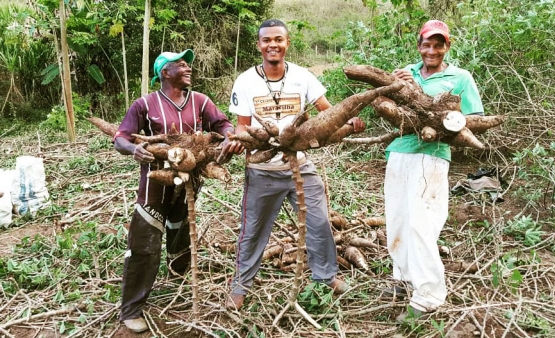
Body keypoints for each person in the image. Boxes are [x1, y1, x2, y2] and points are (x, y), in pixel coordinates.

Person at [225, 19, 366, 310]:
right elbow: (241, 126)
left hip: (300, 165)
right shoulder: (245, 81)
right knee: (252, 230)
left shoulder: (303, 77)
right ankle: (240, 285)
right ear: (259, 45)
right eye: (267, 40)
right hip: (262, 170)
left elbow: (328, 112)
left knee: (319, 222)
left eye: (278, 39)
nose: (272, 45)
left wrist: (349, 121)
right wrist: (240, 141)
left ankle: (326, 276)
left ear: (287, 43)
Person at [113, 49, 242, 332]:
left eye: (188, 65)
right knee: (144, 247)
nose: (188, 69)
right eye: (181, 65)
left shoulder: (200, 101)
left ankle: (178, 282)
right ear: (164, 72)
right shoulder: (144, 105)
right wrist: (134, 149)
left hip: (188, 187)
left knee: (182, 236)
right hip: (154, 189)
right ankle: (131, 308)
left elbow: (222, 124)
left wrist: (229, 137)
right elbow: (120, 138)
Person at [384, 20, 484, 322]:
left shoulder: (460, 77)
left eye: (438, 44)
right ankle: (403, 279)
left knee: (421, 222)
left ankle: (428, 296)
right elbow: (389, 110)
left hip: (433, 157)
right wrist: (392, 84)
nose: (432, 50)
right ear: (419, 45)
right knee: (397, 221)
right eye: (427, 44)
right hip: (400, 153)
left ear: (447, 47)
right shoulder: (407, 73)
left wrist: (443, 123)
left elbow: (474, 118)